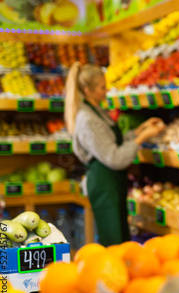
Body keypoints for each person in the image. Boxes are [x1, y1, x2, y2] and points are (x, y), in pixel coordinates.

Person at [65, 62, 165, 246]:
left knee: (121, 237)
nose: (106, 91)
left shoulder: (97, 110)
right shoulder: (87, 119)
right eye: (102, 88)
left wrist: (140, 129)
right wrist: (141, 138)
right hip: (104, 184)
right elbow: (114, 157)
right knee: (114, 242)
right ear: (87, 90)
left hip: (112, 182)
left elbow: (112, 139)